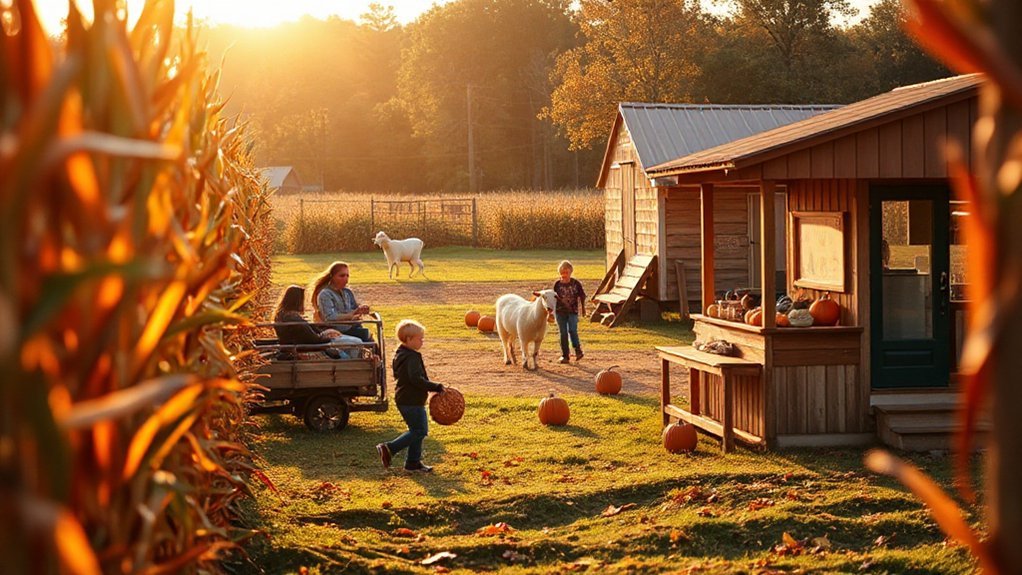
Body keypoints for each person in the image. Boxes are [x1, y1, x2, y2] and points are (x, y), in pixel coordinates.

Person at [376, 319, 444, 473]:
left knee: (416, 431)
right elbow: (416, 379)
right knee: (419, 431)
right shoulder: (412, 356)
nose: (422, 341)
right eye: (420, 338)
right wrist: (436, 387)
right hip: (411, 400)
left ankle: (413, 463)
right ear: (408, 339)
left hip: (405, 399)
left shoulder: (400, 354)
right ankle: (389, 448)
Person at [272, 285, 362, 359]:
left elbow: (308, 332)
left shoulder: (282, 315)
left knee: (351, 341)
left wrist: (325, 332)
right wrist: (328, 337)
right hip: (309, 347)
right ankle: (352, 366)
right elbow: (313, 339)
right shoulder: (293, 318)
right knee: (356, 342)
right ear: (297, 301)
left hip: (302, 345)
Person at [311, 261, 373, 342]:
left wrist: (362, 309)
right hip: (337, 331)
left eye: (347, 276)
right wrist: (351, 315)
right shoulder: (325, 294)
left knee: (369, 335)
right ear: (332, 277)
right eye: (342, 276)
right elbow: (329, 317)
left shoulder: (347, 292)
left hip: (353, 327)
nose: (345, 278)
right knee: (365, 334)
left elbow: (355, 308)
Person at [552, 260, 586, 364]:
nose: (564, 275)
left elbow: (582, 295)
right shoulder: (557, 285)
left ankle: (578, 350)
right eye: (562, 272)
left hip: (573, 311)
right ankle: (565, 355)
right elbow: (553, 298)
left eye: (566, 272)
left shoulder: (576, 283)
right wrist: (551, 312)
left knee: (572, 330)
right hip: (560, 312)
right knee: (563, 333)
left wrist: (583, 308)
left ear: (570, 272)